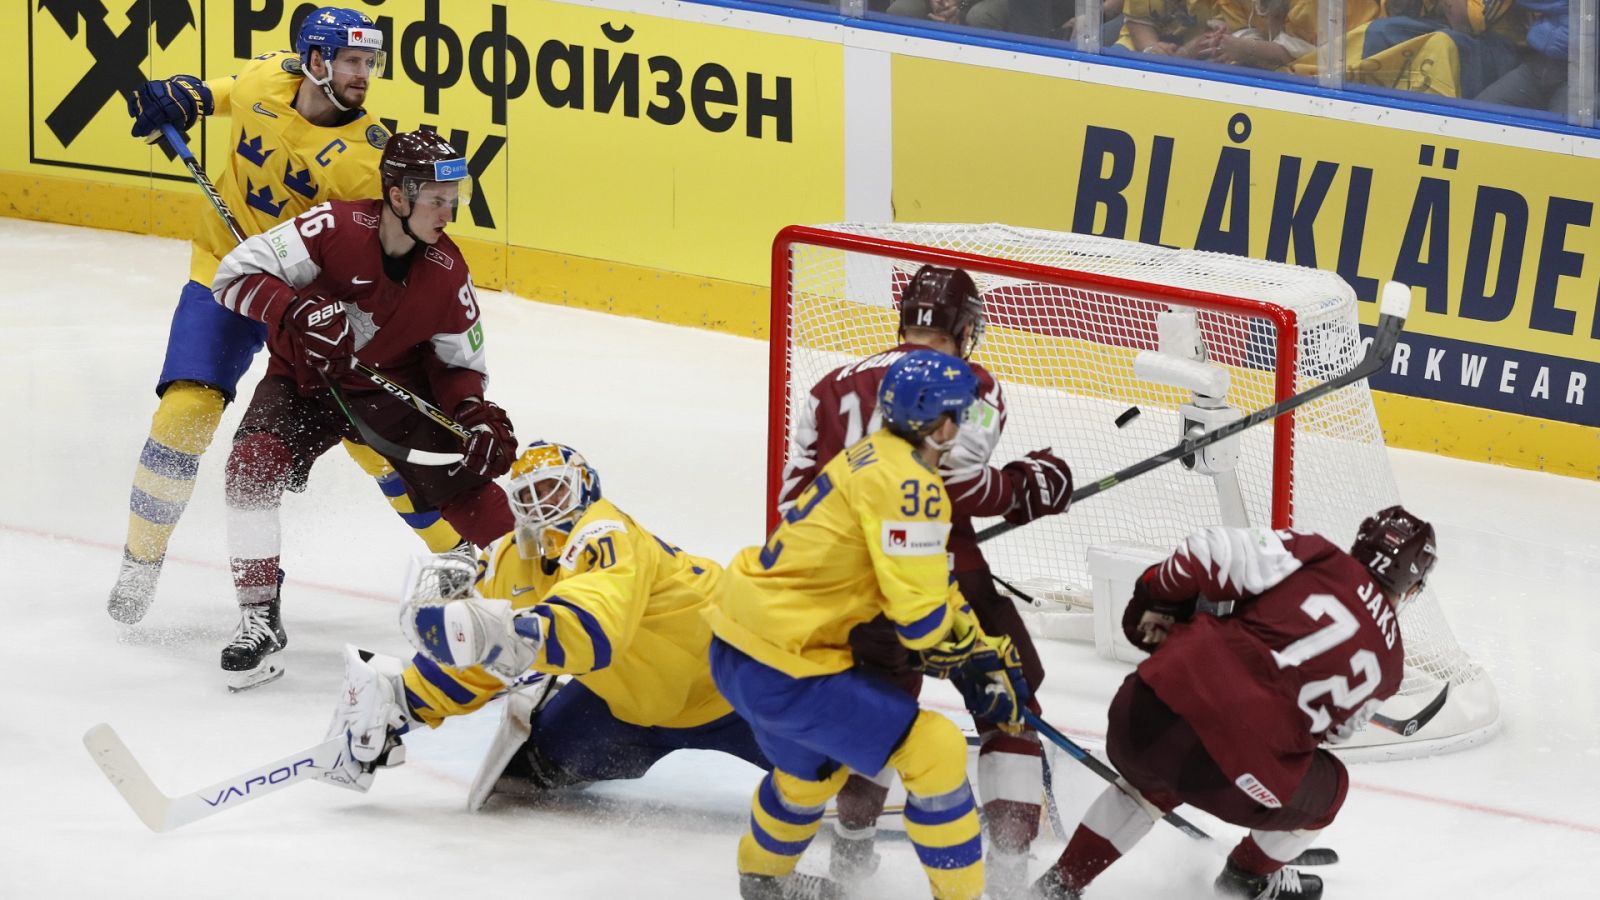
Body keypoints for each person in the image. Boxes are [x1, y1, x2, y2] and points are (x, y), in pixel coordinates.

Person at [108, 7, 465, 626]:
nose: (364, 74)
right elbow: (223, 94)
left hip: (305, 303)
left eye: (370, 62)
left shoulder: (364, 161)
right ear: (315, 61)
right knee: (183, 413)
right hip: (224, 272)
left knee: (374, 439)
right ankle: (141, 561)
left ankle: (460, 556)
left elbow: (379, 255)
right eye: (353, 61)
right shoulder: (266, 80)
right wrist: (183, 98)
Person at [778, 266, 1073, 897]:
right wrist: (1027, 489)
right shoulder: (970, 381)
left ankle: (851, 859)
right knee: (1010, 707)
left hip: (847, 586)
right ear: (966, 329)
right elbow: (957, 486)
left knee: (880, 709)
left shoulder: (829, 385)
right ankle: (1010, 877)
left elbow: (792, 503)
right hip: (939, 571)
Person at [709, 349, 1032, 900]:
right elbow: (921, 619)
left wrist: (974, 644)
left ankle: (762, 878)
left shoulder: (869, 455)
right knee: (934, 747)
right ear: (943, 422)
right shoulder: (913, 485)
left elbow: (917, 579)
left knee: (812, 770)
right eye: (962, 414)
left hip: (741, 648)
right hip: (788, 662)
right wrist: (978, 667)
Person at [207, 130, 518, 690]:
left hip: (391, 390)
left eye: (454, 197)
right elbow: (230, 277)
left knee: (472, 481)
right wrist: (292, 307)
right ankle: (258, 614)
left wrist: (471, 411)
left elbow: (456, 363)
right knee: (251, 467)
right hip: (304, 383)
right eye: (436, 199)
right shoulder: (333, 228)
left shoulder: (448, 271)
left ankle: (539, 616)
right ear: (397, 196)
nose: (449, 211)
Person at [325, 440, 770, 807]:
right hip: (626, 710)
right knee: (525, 779)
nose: (542, 505)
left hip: (740, 692)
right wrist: (404, 704)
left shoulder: (608, 534)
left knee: (837, 776)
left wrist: (518, 636)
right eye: (528, 496)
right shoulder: (511, 558)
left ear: (586, 488)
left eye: (554, 490)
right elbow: (481, 648)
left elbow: (596, 624)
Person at [1030, 507, 1438, 900]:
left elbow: (1203, 553)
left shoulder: (1316, 552)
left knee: (1155, 773)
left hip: (1141, 716)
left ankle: (1057, 887)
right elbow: (1332, 732)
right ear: (1412, 587)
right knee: (1330, 792)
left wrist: (1157, 600)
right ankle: (1245, 880)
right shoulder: (1390, 665)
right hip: (1238, 783)